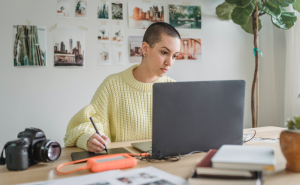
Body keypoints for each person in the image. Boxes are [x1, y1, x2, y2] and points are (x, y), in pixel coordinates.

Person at [64, 22, 181, 153]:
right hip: (123, 166)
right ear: (145, 49)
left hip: (165, 164)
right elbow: (79, 127)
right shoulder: (112, 85)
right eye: (164, 52)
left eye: (175, 55)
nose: (169, 63)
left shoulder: (173, 87)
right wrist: (87, 139)